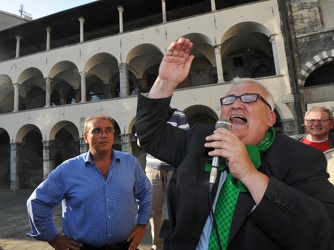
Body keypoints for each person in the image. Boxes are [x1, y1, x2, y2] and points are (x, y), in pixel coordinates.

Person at [135, 37, 334, 249]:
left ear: (270, 118)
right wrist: (165, 82)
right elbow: (151, 134)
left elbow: (325, 229)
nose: (236, 104)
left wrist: (250, 175)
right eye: (228, 100)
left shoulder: (299, 158)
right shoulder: (200, 140)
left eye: (249, 98)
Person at [27, 115, 153, 250]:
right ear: (86, 138)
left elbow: (145, 192)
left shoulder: (130, 163)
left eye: (108, 130)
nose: (104, 135)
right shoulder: (68, 169)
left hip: (125, 246)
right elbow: (38, 202)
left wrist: (141, 225)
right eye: (97, 131)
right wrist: (53, 238)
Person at [137, 108, 189, 250]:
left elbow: (184, 140)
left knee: (177, 207)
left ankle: (178, 243)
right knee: (154, 208)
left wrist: (159, 139)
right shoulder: (148, 114)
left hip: (174, 166)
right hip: (153, 167)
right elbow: (140, 142)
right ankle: (157, 245)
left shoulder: (178, 115)